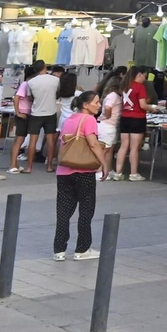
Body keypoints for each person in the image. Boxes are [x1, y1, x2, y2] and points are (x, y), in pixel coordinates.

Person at [53, 92, 104, 261]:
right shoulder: (88, 120)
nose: (99, 105)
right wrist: (104, 163)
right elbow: (93, 144)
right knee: (85, 211)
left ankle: (59, 250)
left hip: (64, 171)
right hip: (83, 172)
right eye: (96, 102)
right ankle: (82, 249)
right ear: (86, 105)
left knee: (63, 213)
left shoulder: (69, 119)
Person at [117, 66, 152, 181]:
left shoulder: (125, 86)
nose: (144, 78)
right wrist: (153, 108)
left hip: (124, 117)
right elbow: (142, 105)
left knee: (123, 146)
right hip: (137, 118)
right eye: (144, 75)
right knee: (134, 147)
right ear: (139, 74)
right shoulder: (140, 87)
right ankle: (133, 173)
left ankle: (118, 173)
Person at [96, 72, 125, 178]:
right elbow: (108, 108)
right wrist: (108, 116)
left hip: (110, 126)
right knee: (104, 150)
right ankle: (99, 171)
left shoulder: (113, 95)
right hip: (107, 126)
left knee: (109, 150)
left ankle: (107, 169)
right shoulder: (113, 96)